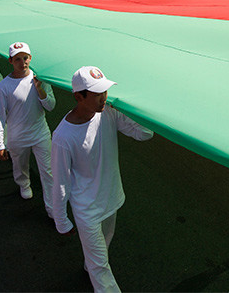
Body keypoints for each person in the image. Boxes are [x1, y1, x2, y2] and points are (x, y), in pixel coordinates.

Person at [51, 66, 154, 292]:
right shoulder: (62, 137)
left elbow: (144, 134)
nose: (103, 98)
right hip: (86, 209)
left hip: (111, 198)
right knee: (101, 267)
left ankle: (90, 265)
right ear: (79, 96)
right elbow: (59, 181)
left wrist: (135, 110)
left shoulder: (109, 112)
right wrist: (61, 220)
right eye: (97, 94)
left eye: (105, 91)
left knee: (102, 249)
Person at [0, 42, 55, 216]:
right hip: (16, 136)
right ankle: (24, 184)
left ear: (30, 58)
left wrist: (40, 90)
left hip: (40, 132)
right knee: (20, 166)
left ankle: (52, 209)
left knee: (48, 171)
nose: (23, 62)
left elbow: (50, 106)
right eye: (18, 59)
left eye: (25, 58)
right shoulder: (4, 86)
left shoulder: (40, 78)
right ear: (11, 61)